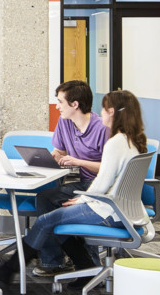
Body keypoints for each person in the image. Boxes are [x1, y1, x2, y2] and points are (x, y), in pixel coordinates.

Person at [0, 89, 147, 280]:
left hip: (108, 210)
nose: (101, 112)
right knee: (54, 216)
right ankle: (86, 267)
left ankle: (8, 271)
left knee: (45, 221)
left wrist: (82, 199)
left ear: (112, 112)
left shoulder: (115, 143)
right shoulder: (134, 140)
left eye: (104, 109)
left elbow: (103, 181)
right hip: (124, 210)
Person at [38, 79, 108, 209]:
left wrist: (78, 162)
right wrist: (54, 156)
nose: (56, 106)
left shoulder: (102, 128)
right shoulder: (65, 121)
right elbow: (59, 151)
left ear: (75, 104)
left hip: (104, 186)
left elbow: (112, 169)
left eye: (60, 102)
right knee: (45, 197)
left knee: (53, 201)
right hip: (85, 184)